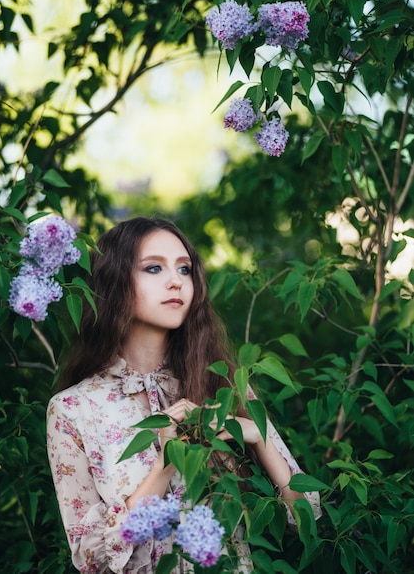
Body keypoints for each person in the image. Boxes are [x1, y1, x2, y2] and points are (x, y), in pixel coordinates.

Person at [47, 216, 321, 574]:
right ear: (114, 282)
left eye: (185, 269)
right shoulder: (73, 409)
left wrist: (257, 437)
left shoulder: (222, 386)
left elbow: (307, 521)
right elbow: (92, 559)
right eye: (154, 268)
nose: (176, 281)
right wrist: (168, 460)